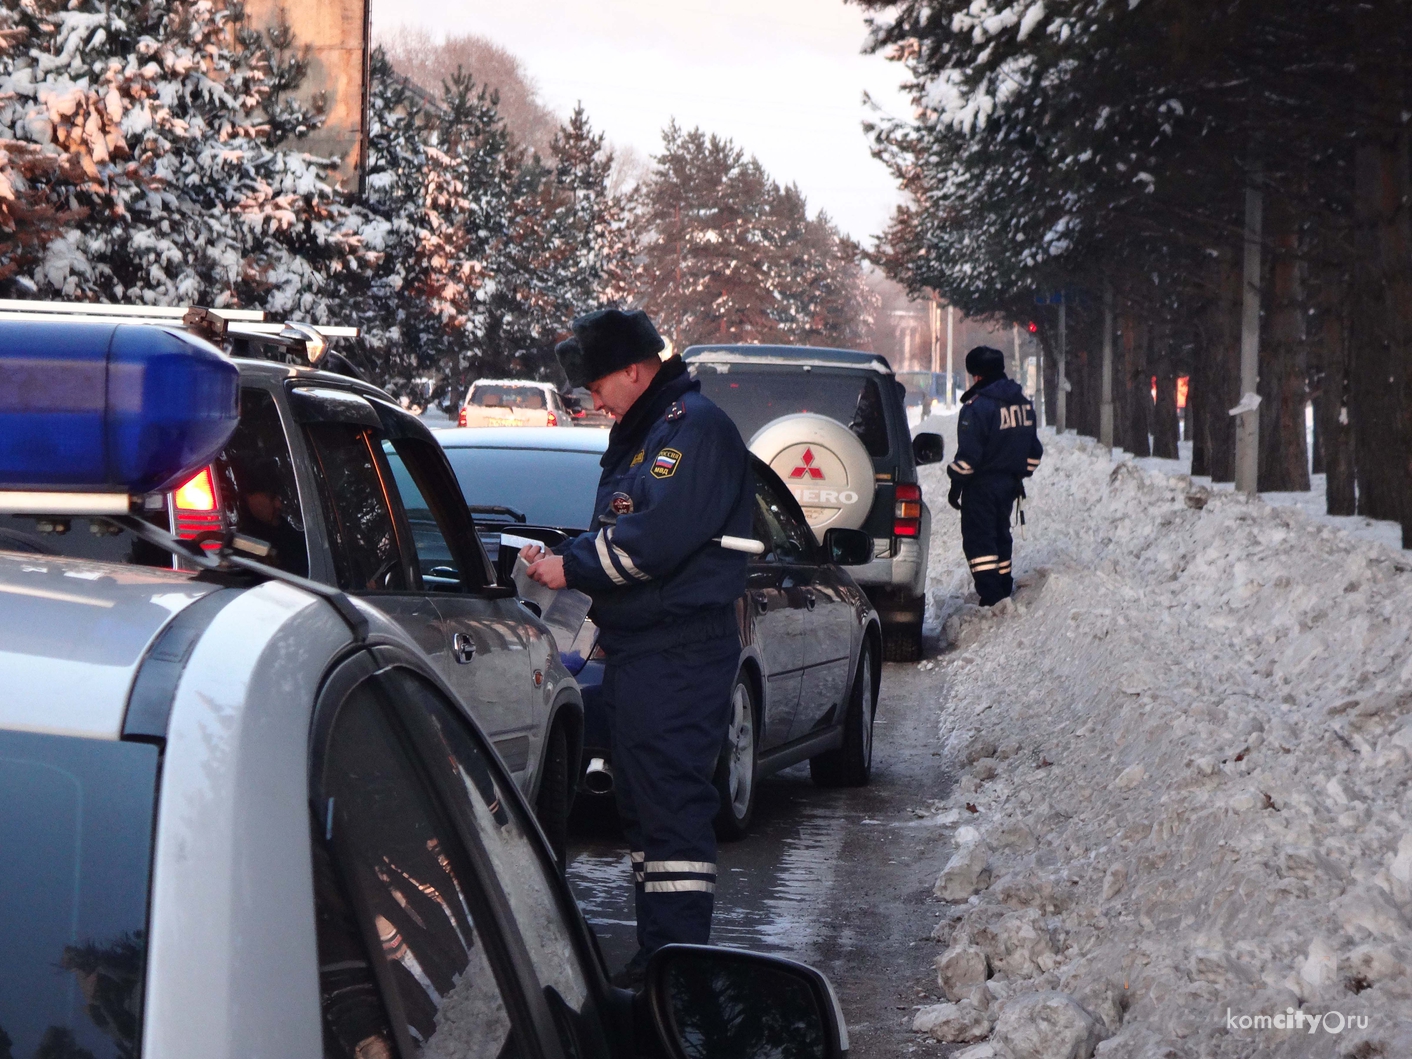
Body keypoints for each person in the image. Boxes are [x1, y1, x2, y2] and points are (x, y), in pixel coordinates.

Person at [519, 308, 753, 986]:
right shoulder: (647, 428)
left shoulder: (690, 430)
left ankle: (679, 973)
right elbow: (621, 526)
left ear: (633, 369)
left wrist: (575, 566)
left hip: (677, 651)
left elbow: (654, 536)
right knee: (647, 813)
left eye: (598, 384)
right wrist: (562, 555)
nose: (593, 400)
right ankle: (662, 958)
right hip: (643, 650)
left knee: (671, 816)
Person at [946, 345, 1043, 606]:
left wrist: (955, 482)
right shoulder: (1022, 403)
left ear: (977, 375)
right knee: (1001, 534)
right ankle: (1003, 586)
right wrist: (1018, 473)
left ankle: (991, 596)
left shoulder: (977, 407)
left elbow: (968, 459)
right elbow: (1034, 452)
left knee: (981, 540)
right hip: (1010, 485)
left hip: (981, 487)